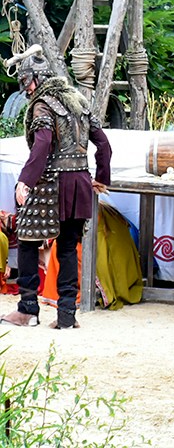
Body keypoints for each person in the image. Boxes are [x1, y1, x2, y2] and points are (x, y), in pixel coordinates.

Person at [1, 45, 111, 330]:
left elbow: (43, 143)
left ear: (34, 79)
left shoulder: (42, 105)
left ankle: (28, 309)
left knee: (26, 241)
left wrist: (25, 180)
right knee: (66, 247)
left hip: (51, 184)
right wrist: (102, 177)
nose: (25, 90)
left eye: (25, 83)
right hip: (81, 183)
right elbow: (103, 144)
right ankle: (66, 317)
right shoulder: (80, 102)